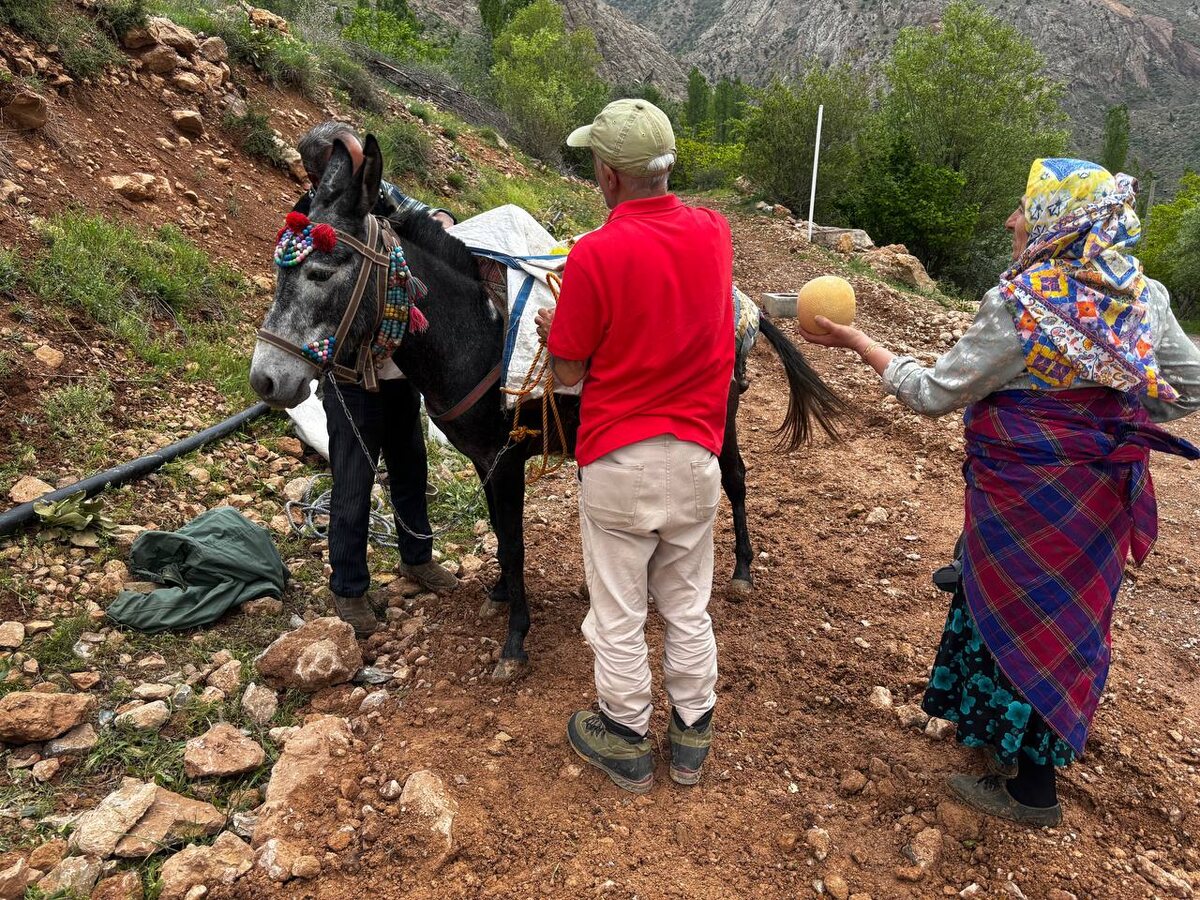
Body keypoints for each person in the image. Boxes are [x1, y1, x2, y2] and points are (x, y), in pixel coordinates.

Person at [800, 158, 1200, 825]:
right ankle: (1018, 751)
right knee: (1065, 623)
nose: (1013, 218)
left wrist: (857, 341)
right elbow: (1190, 388)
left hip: (1023, 497)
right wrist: (1104, 417)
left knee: (1015, 610)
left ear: (1055, 222)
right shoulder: (1143, 298)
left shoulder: (1022, 307)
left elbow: (933, 393)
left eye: (1025, 206)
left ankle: (1031, 791)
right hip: (1095, 501)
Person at [534, 99, 735, 794]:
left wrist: (553, 330)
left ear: (609, 176)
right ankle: (691, 732)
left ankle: (623, 736)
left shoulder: (594, 253)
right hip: (696, 461)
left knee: (618, 611)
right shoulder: (715, 232)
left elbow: (567, 371)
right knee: (686, 603)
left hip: (619, 461)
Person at [293, 122, 459, 638]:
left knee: (410, 467)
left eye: (358, 163)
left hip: (399, 372)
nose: (352, 173)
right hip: (350, 377)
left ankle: (417, 557)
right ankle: (349, 589)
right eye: (342, 164)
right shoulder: (310, 222)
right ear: (319, 172)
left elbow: (430, 217)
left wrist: (441, 220)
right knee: (354, 482)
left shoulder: (380, 200)